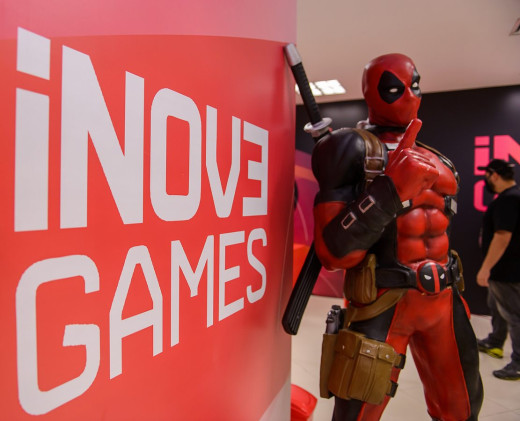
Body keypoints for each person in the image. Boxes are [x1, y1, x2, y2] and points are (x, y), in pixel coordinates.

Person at [312, 53, 483, 420]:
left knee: (463, 410)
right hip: (382, 303)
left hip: (443, 299)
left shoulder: (439, 158)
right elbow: (332, 253)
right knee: (357, 415)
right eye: (393, 89)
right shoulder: (350, 149)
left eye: (414, 85)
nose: (409, 96)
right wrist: (390, 191)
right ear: (370, 93)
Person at [476, 159, 520, 380]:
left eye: (487, 175)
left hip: (506, 270)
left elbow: (503, 237)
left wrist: (485, 268)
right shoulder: (509, 197)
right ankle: (495, 341)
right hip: (503, 269)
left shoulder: (509, 199)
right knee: (497, 306)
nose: (486, 180)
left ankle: (518, 363)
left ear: (494, 175)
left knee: (514, 314)